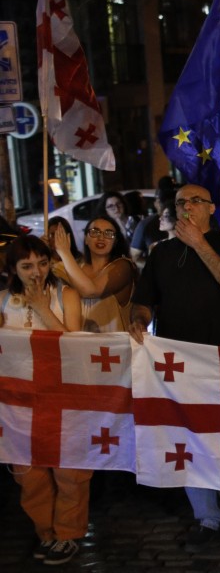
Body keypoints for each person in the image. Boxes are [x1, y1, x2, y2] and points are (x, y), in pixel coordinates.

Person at [128, 184, 220, 565]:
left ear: (211, 208)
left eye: (194, 202)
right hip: (177, 367)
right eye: (180, 203)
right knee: (190, 442)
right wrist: (139, 321)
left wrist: (201, 245)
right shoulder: (161, 254)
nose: (186, 208)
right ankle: (206, 518)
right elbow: (143, 302)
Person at [0, 235, 84, 565]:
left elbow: (75, 345)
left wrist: (42, 309)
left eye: (43, 263)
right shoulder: (3, 300)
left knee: (69, 471)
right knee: (29, 473)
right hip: (19, 402)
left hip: (63, 396)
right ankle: (45, 532)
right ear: (12, 270)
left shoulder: (67, 294)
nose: (37, 272)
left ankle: (68, 534)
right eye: (27, 266)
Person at [53, 214, 137, 333]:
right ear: (86, 239)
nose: (101, 237)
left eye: (108, 234)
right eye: (95, 232)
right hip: (81, 344)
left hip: (113, 347)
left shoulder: (123, 266)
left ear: (116, 241)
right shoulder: (75, 268)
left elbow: (90, 290)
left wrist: (65, 252)